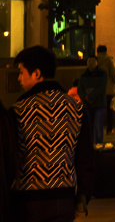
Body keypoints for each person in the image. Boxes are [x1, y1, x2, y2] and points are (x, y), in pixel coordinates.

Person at [10, 45, 94, 222]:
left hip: (27, 202)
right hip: (64, 199)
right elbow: (85, 157)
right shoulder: (77, 109)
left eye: (21, 72)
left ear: (37, 74)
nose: (19, 78)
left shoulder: (18, 111)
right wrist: (83, 195)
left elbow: (10, 159)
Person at [76, 57, 108, 144]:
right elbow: (80, 89)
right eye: (89, 61)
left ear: (97, 62)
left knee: (98, 127)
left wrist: (90, 96)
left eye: (92, 61)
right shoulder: (84, 75)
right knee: (89, 128)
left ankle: (98, 145)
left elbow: (102, 88)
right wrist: (85, 97)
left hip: (99, 104)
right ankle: (90, 146)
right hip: (87, 105)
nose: (90, 63)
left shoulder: (102, 74)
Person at [95, 44, 115, 133]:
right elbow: (114, 74)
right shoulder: (109, 60)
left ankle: (98, 129)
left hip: (97, 90)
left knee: (99, 110)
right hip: (108, 90)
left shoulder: (94, 61)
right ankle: (109, 129)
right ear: (106, 51)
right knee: (110, 111)